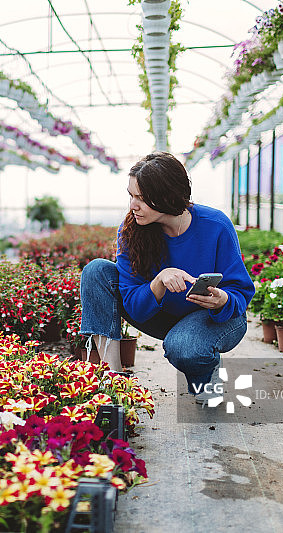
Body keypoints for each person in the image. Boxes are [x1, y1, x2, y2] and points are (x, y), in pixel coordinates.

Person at [79, 151, 255, 403]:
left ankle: (206, 370)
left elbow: (241, 292)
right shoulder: (132, 232)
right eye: (131, 196)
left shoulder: (215, 225)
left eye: (141, 198)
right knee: (96, 271)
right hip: (163, 316)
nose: (132, 205)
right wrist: (158, 282)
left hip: (217, 317)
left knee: (184, 347)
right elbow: (135, 309)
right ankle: (113, 379)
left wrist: (222, 300)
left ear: (167, 196)